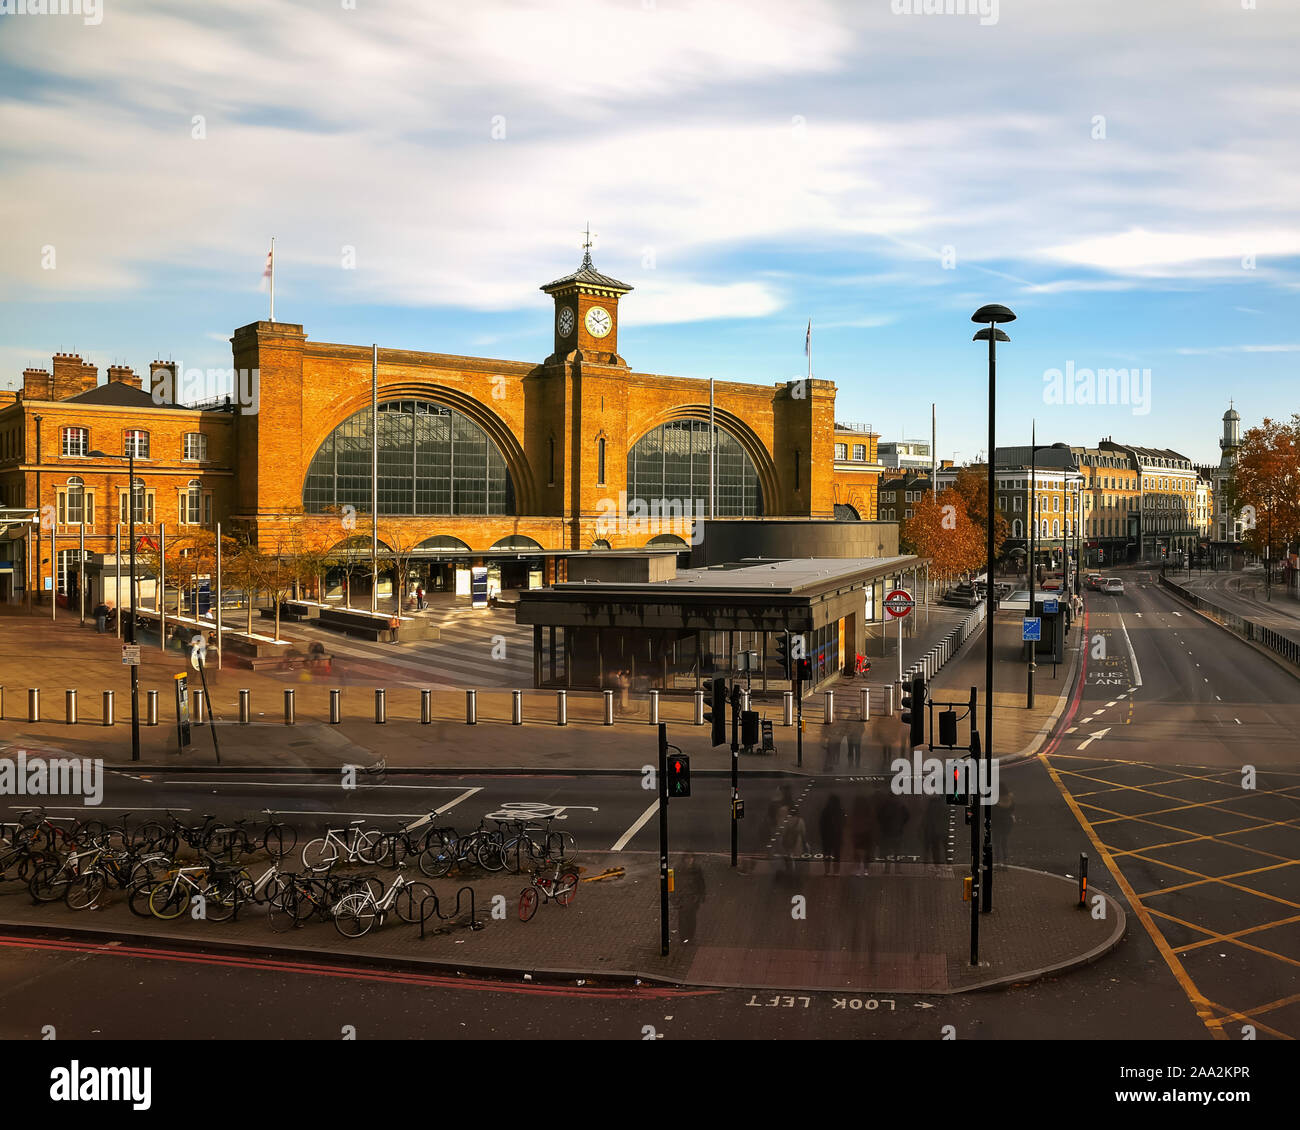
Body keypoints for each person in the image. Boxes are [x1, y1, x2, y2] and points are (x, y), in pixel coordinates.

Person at [818, 794, 846, 877]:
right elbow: (844, 823)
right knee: (836, 855)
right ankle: (836, 872)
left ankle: (827, 871)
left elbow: (821, 824)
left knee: (827, 855)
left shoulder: (825, 811)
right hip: (837, 836)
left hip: (827, 837)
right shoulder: (840, 811)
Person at [992, 788, 1016, 869]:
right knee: (1004, 843)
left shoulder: (996, 801)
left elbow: (993, 813)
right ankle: (1005, 861)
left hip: (997, 825)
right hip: (1007, 824)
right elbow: (1012, 809)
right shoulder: (1009, 800)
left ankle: (998, 862)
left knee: (997, 844)